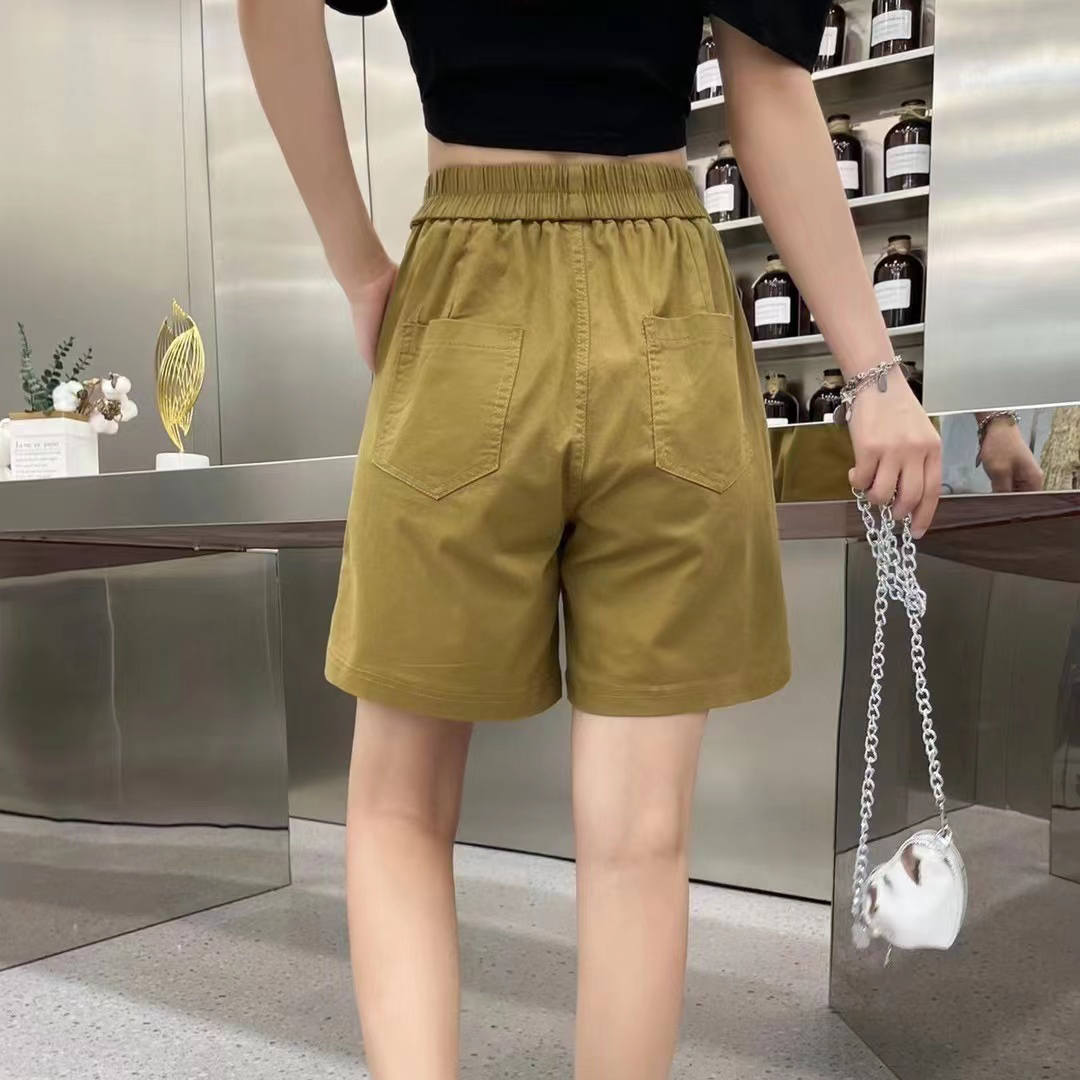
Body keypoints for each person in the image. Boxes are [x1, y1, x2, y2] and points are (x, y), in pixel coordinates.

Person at [238, 3, 942, 1078]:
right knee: (639, 836)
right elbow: (767, 90)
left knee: (399, 806)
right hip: (664, 300)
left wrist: (358, 265)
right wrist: (874, 376)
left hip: (466, 284)